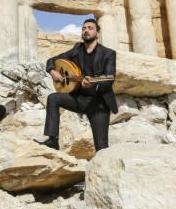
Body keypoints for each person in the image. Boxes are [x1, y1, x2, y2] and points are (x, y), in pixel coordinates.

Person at [36, 18, 118, 152]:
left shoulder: (108, 54)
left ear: (97, 33)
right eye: (84, 28)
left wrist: (92, 85)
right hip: (79, 99)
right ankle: (52, 141)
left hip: (99, 104)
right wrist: (52, 71)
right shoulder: (77, 49)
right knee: (53, 98)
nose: (86, 30)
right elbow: (53, 59)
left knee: (102, 147)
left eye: (90, 28)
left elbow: (109, 80)